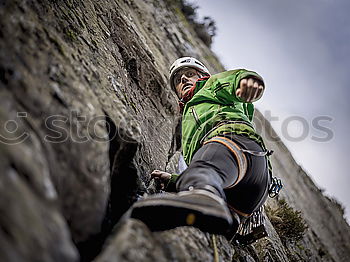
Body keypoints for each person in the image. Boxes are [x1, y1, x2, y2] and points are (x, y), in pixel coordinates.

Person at [131, 57, 272, 236]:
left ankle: (204, 193)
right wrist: (175, 181)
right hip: (244, 193)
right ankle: (212, 205)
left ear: (203, 76)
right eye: (178, 80)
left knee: (205, 165)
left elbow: (231, 80)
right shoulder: (188, 120)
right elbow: (208, 167)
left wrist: (248, 81)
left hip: (237, 146)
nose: (183, 80)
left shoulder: (210, 86)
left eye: (189, 74)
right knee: (200, 171)